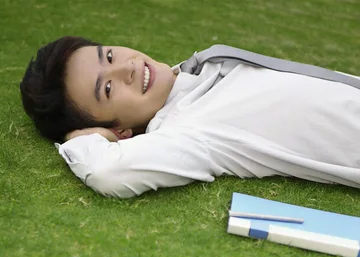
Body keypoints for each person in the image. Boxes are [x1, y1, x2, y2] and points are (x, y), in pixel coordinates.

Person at [20, 36, 360, 198]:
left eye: (109, 55)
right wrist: (83, 140)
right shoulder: (187, 131)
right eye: (107, 89)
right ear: (119, 130)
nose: (127, 67)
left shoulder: (193, 74)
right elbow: (108, 172)